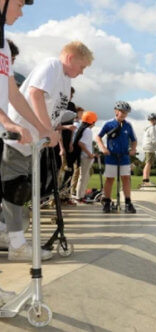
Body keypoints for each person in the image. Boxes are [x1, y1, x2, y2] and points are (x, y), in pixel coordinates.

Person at [2, 39, 93, 261]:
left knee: (17, 191)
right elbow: (34, 94)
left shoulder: (63, 80)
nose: (81, 73)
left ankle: (10, 237)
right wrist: (44, 129)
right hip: (18, 138)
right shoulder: (52, 66)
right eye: (81, 67)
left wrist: (51, 131)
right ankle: (17, 245)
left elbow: (52, 109)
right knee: (14, 190)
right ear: (70, 58)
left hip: (32, 143)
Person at [0, 0, 37, 304]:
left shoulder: (2, 42)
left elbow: (12, 92)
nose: (22, 12)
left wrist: (42, 128)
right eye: (21, 4)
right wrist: (7, 122)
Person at [96, 101, 137, 214]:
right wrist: (103, 148)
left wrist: (133, 149)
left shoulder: (128, 125)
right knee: (110, 179)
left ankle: (128, 202)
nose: (124, 114)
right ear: (116, 111)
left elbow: (134, 140)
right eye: (122, 112)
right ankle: (107, 201)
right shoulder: (109, 124)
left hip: (124, 157)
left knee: (126, 179)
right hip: (111, 157)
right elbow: (98, 137)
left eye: (126, 113)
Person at [73, 111, 97, 202]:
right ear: (92, 121)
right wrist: (90, 154)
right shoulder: (88, 131)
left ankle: (81, 195)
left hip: (85, 156)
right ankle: (79, 196)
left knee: (85, 177)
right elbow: (81, 143)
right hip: (86, 157)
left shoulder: (84, 129)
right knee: (83, 177)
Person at [141, 113, 156, 187]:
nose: (155, 122)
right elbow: (154, 139)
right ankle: (146, 181)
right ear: (152, 120)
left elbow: (150, 139)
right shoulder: (152, 128)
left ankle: (145, 180)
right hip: (149, 147)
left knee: (148, 163)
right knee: (149, 163)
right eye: (155, 120)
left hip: (147, 146)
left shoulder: (147, 128)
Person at [70, 106, 84, 196]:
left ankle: (73, 189)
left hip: (78, 150)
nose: (82, 115)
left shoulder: (79, 124)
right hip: (75, 150)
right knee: (76, 171)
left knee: (77, 171)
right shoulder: (76, 125)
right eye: (81, 113)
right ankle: (72, 190)